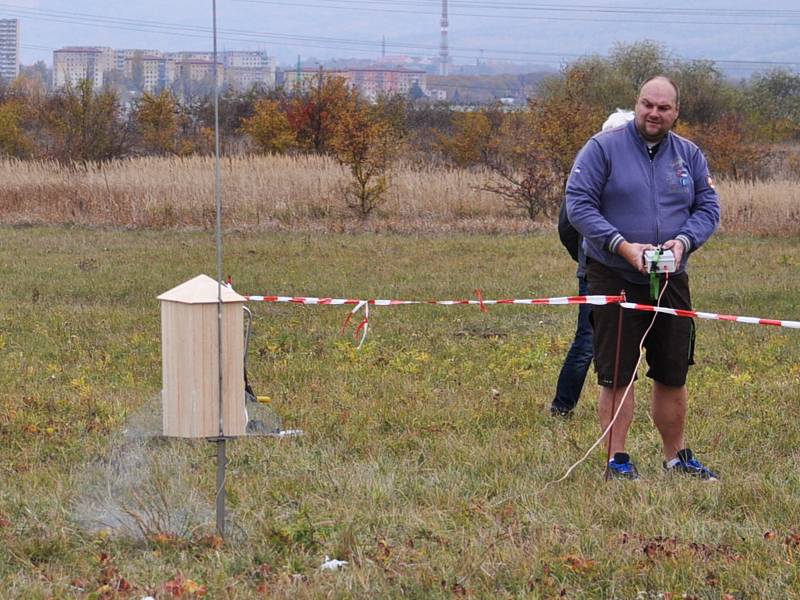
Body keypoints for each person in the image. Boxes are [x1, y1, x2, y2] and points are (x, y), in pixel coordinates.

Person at [565, 76, 720, 480]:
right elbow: (578, 204)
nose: (654, 113)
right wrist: (620, 244)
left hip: (671, 278)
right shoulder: (603, 148)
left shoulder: (689, 155)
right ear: (637, 104)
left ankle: (676, 457)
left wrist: (684, 243)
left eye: (663, 108)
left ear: (676, 112)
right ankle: (617, 459)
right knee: (617, 373)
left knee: (673, 371)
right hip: (613, 274)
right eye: (647, 104)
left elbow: (708, 208)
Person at [551, 110, 634, 418]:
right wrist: (587, 261)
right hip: (598, 273)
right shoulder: (591, 172)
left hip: (636, 274)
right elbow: (568, 226)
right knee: (588, 340)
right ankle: (562, 406)